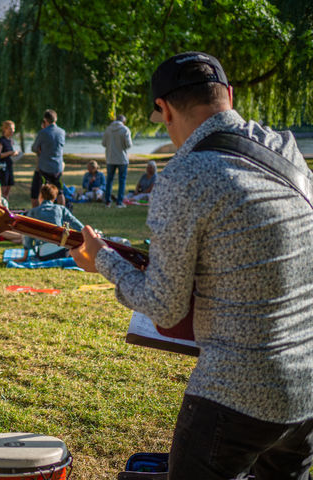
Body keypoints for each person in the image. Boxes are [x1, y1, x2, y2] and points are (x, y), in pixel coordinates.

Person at [71, 52, 313, 479]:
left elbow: (164, 306)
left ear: (163, 109)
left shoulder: (185, 173)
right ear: (229, 95)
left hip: (238, 389)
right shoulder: (286, 149)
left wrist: (103, 260)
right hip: (307, 384)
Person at [19, 183, 84, 262]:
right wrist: (89, 235)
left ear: (40, 196)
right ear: (54, 197)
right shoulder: (61, 209)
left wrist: (25, 257)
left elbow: (27, 236)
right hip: (63, 251)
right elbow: (76, 224)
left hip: (44, 254)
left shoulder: (33, 212)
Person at [30, 109, 66, 207]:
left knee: (36, 190)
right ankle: (62, 211)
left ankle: (37, 213)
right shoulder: (62, 132)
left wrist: (40, 150)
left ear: (45, 120)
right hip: (57, 167)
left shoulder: (43, 132)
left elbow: (34, 148)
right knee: (59, 191)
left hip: (44, 167)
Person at [102, 114, 132, 208]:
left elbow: (103, 143)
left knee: (109, 180)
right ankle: (119, 202)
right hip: (122, 159)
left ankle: (107, 201)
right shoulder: (125, 130)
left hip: (110, 158)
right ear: (123, 121)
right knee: (121, 181)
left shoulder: (108, 129)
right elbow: (128, 145)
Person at [0, 180, 22, 244]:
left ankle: (13, 240)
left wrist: (0, 205)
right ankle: (21, 238)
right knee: (20, 237)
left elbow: (6, 218)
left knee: (16, 231)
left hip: (2, 227)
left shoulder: (3, 201)